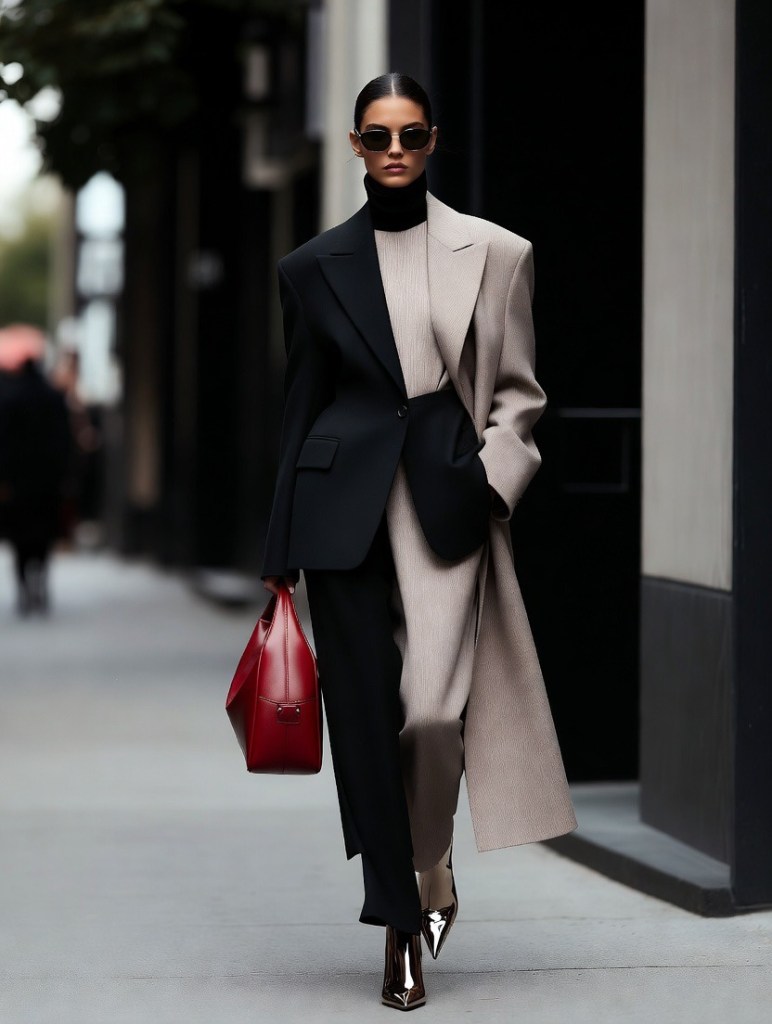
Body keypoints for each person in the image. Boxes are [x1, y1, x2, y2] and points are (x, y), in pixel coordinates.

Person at [261, 73, 577, 1011]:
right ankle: (399, 929)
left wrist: (492, 478)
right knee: (365, 725)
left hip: (446, 501)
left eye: (409, 135)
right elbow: (299, 408)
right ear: (355, 145)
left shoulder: (498, 253)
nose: (394, 150)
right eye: (377, 136)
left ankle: (429, 864)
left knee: (432, 716)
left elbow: (519, 394)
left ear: (432, 140)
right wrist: (278, 555)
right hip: (339, 514)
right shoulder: (310, 267)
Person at [0, 356, 71, 615]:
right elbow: (64, 441)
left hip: (19, 482)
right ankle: (40, 583)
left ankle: (24, 590)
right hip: (47, 481)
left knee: (21, 539)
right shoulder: (54, 399)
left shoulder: (10, 400)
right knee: (43, 537)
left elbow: (4, 443)